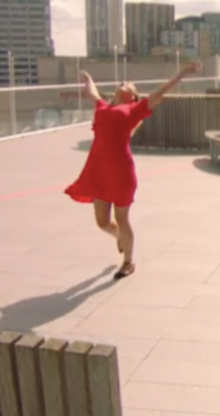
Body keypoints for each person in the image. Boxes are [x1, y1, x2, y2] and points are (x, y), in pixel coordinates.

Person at [65, 62, 203, 279]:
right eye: (122, 83)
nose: (123, 84)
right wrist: (87, 78)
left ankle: (128, 261)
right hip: (98, 172)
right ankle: (120, 237)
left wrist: (184, 72)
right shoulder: (103, 107)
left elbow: (162, 90)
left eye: (128, 85)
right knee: (102, 222)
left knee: (122, 218)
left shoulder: (134, 110)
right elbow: (92, 92)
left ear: (133, 97)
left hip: (120, 173)